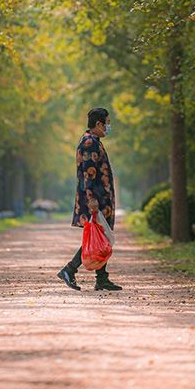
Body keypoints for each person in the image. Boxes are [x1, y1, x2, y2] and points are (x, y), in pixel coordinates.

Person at [57, 107, 122, 291]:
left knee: (101, 238)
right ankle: (69, 270)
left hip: (102, 200)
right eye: (107, 123)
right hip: (96, 200)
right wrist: (92, 199)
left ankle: (101, 278)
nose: (108, 127)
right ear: (98, 124)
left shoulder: (95, 141)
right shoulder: (89, 142)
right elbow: (89, 173)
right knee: (97, 237)